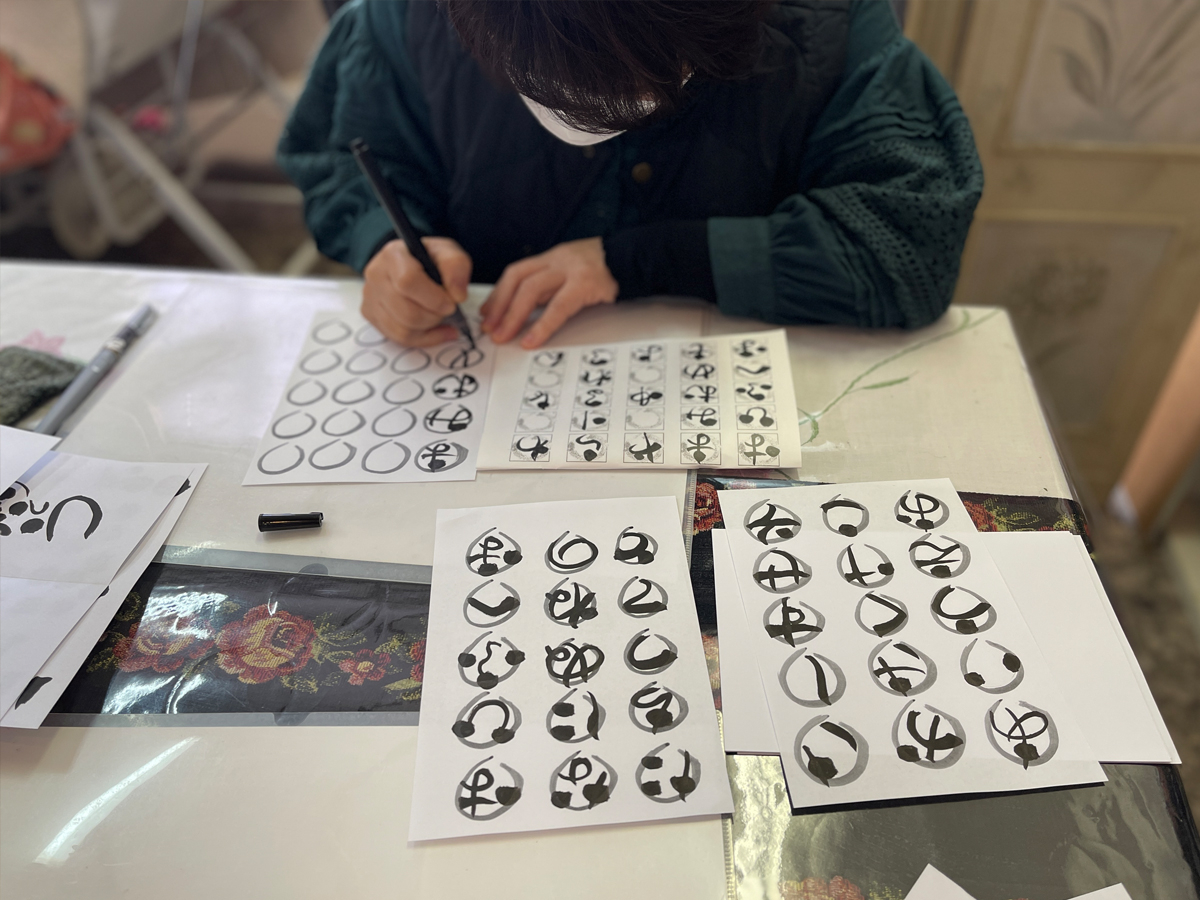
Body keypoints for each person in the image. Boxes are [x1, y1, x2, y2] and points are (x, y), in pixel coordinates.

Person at [279, 0, 982, 349]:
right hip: (487, 392)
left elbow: (907, 245)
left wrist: (638, 261)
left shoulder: (825, 23)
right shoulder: (405, 17)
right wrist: (388, 245)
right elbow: (350, 158)